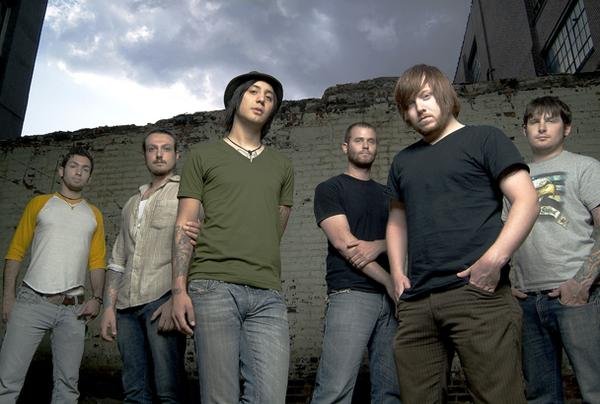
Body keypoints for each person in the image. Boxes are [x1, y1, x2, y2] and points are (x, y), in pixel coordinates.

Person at [386, 64, 539, 403]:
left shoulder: (485, 138)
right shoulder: (402, 162)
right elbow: (397, 220)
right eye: (409, 104)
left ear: (444, 95)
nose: (419, 108)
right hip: (417, 302)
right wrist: (396, 273)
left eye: (426, 96)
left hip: (477, 293)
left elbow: (527, 200)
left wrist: (493, 261)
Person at [171, 71, 294, 403]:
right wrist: (179, 290)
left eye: (269, 97)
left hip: (267, 292)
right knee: (219, 397)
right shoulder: (203, 156)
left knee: (270, 397)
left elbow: (276, 227)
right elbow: (184, 225)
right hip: (213, 287)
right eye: (254, 92)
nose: (262, 99)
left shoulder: (283, 166)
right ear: (236, 100)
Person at [509, 96, 600, 404]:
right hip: (527, 301)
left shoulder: (585, 168)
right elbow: (504, 235)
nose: (542, 127)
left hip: (576, 297)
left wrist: (582, 283)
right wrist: (508, 281)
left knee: (594, 389)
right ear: (524, 130)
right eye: (534, 121)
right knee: (541, 395)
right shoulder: (514, 178)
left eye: (551, 120)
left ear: (567, 128)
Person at [0, 146, 106, 403]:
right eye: (73, 166)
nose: (79, 172)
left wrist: (97, 298)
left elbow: (97, 261)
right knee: (7, 382)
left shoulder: (94, 215)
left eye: (85, 169)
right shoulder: (39, 204)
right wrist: (8, 297)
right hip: (31, 301)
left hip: (73, 309)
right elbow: (15, 251)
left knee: (68, 387)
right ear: (61, 171)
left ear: (89, 177)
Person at [311, 122, 400, 404]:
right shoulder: (330, 188)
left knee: (391, 393)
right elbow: (345, 244)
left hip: (391, 302)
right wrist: (389, 280)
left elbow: (406, 238)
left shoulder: (389, 195)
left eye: (371, 141)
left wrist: (379, 245)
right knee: (335, 391)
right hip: (351, 294)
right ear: (345, 147)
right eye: (359, 140)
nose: (365, 146)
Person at [99, 129, 187, 403]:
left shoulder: (186, 194)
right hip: (126, 309)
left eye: (166, 148)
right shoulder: (131, 203)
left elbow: (196, 249)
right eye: (152, 149)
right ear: (145, 155)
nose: (159, 154)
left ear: (176, 155)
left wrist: (176, 298)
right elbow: (118, 259)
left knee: (168, 392)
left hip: (161, 301)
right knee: (135, 392)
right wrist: (109, 308)